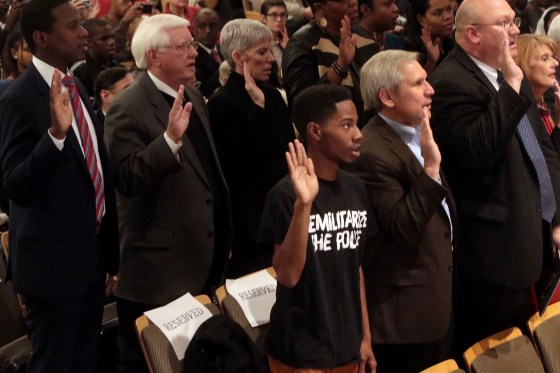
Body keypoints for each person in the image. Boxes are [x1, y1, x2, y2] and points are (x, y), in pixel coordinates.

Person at [429, 0, 560, 356]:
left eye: (514, 21)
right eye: (504, 23)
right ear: (473, 34)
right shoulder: (449, 83)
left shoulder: (505, 70)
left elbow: (543, 150)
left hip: (533, 239)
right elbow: (478, 152)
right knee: (496, 356)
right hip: (492, 259)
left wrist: (555, 218)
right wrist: (512, 84)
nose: (516, 29)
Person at [104, 14, 231, 373]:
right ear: (154, 56)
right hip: (157, 272)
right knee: (144, 364)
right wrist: (169, 141)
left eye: (192, 44)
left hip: (201, 259)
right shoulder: (127, 107)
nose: (194, 53)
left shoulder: (192, 94)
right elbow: (126, 178)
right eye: (183, 46)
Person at [0, 0, 120, 371]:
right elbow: (15, 185)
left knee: (86, 361)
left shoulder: (76, 83)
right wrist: (54, 135)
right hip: (51, 269)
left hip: (88, 258)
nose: (83, 33)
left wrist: (110, 255)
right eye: (72, 26)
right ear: (41, 37)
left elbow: (95, 170)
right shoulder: (17, 98)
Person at [258, 84, 376, 372]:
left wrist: (365, 336)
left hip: (347, 346)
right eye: (346, 125)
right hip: (300, 351)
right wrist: (304, 204)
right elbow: (287, 274)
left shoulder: (356, 187)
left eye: (356, 124)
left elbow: (355, 267)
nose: (358, 134)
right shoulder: (286, 195)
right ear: (315, 131)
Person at [350, 50, 455, 372]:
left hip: (434, 301)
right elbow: (404, 229)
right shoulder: (372, 152)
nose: (430, 89)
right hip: (404, 321)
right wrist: (432, 168)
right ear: (387, 96)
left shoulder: (415, 133)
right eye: (418, 83)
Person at [207, 19, 295, 278]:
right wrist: (258, 111)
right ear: (238, 57)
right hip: (251, 226)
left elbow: (289, 149)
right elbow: (238, 168)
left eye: (270, 51)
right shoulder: (220, 104)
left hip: (285, 213)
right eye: (262, 52)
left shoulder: (273, 94)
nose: (271, 58)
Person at [282, 0, 376, 125]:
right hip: (332, 135)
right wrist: (340, 65)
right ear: (320, 8)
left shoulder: (363, 35)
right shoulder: (301, 44)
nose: (353, 2)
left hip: (374, 128)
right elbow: (301, 108)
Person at [399, 0, 455, 74]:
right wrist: (431, 62)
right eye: (438, 13)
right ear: (421, 20)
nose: (448, 16)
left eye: (449, 9)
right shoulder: (409, 50)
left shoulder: (451, 44)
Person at [72, 18, 120, 103]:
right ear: (89, 42)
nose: (112, 42)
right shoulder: (79, 71)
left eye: (112, 37)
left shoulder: (118, 67)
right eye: (104, 39)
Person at [192, 8, 223, 97]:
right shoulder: (192, 56)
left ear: (219, 29)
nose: (208, 31)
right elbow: (203, 90)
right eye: (202, 26)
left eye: (213, 26)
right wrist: (224, 67)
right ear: (194, 29)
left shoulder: (224, 50)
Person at [261, 0, 288, 86]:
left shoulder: (288, 41)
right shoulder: (258, 45)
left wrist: (289, 49)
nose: (279, 19)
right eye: (274, 15)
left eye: (283, 15)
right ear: (264, 18)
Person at [0, 30, 32, 95]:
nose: (33, 54)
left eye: (34, 50)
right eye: (27, 50)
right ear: (14, 53)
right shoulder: (4, 86)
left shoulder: (41, 82)